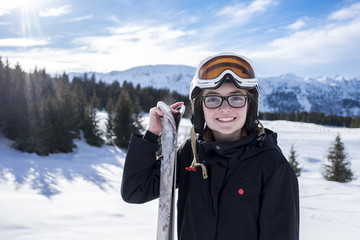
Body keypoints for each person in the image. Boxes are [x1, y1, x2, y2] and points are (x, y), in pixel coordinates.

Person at [121, 52, 299, 240]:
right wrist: (151, 136)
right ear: (200, 108)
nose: (225, 108)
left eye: (236, 98)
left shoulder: (272, 166)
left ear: (250, 105)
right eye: (213, 99)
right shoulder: (190, 153)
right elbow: (135, 190)